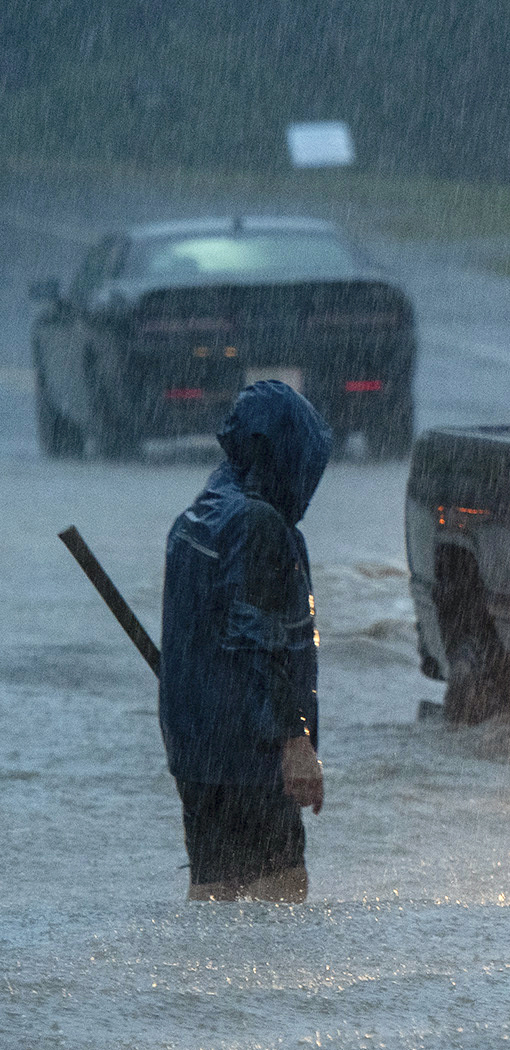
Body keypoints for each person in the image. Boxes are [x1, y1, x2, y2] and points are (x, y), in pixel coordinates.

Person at [159, 380, 331, 901]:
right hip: (250, 756)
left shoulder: (198, 518)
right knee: (281, 900)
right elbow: (261, 645)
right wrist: (294, 740)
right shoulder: (259, 526)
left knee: (214, 894)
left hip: (196, 751)